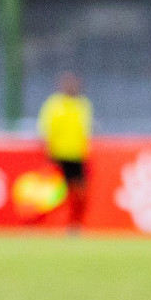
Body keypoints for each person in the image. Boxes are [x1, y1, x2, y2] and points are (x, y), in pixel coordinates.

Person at [38, 72, 93, 232]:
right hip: (57, 155)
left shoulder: (83, 104)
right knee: (52, 193)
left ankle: (74, 224)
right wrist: (48, 151)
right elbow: (46, 129)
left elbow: (86, 130)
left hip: (76, 155)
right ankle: (43, 224)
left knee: (79, 192)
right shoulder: (54, 104)